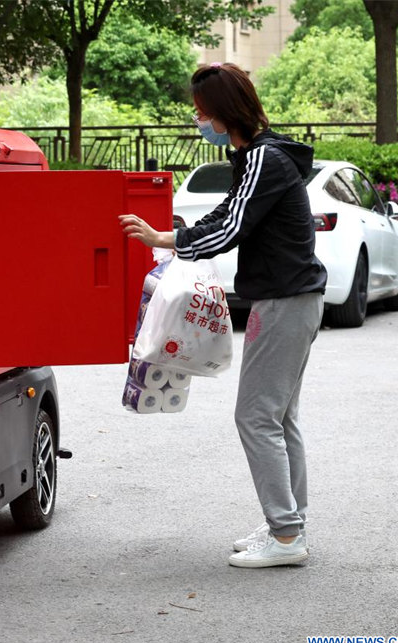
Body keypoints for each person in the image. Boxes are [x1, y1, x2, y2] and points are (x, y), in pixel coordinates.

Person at [119, 62, 327, 568]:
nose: (198, 122)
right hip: (291, 299)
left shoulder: (264, 158)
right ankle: (288, 523)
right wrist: (172, 237)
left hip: (284, 301)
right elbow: (227, 213)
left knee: (255, 416)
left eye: (200, 112)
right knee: (279, 417)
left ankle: (286, 536)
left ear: (222, 112)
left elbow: (230, 227)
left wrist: (171, 242)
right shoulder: (258, 157)